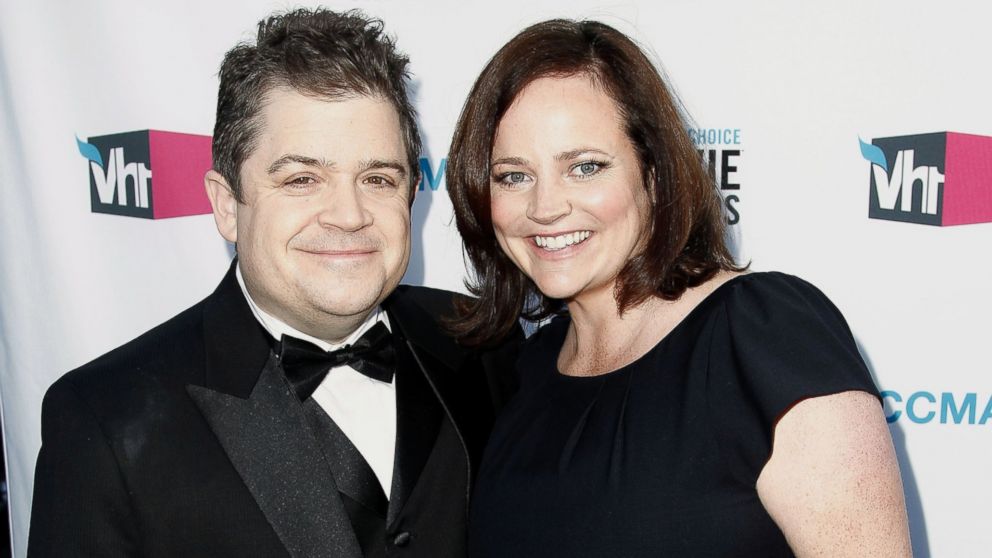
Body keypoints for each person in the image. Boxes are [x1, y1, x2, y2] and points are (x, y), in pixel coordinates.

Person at [28, 9, 519, 558]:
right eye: (302, 179)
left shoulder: (482, 340)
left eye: (377, 178)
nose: (349, 214)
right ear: (226, 205)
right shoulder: (103, 421)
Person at [446, 19, 912, 557]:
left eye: (586, 167)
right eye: (512, 176)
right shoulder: (527, 369)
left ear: (654, 174)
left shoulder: (762, 335)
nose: (545, 207)